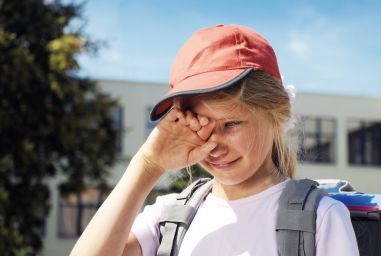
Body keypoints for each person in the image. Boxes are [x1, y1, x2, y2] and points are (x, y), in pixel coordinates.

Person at [70, 24, 359, 256]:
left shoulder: (321, 219)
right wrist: (148, 165)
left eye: (231, 123)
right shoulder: (168, 218)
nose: (215, 144)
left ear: (276, 115)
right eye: (201, 126)